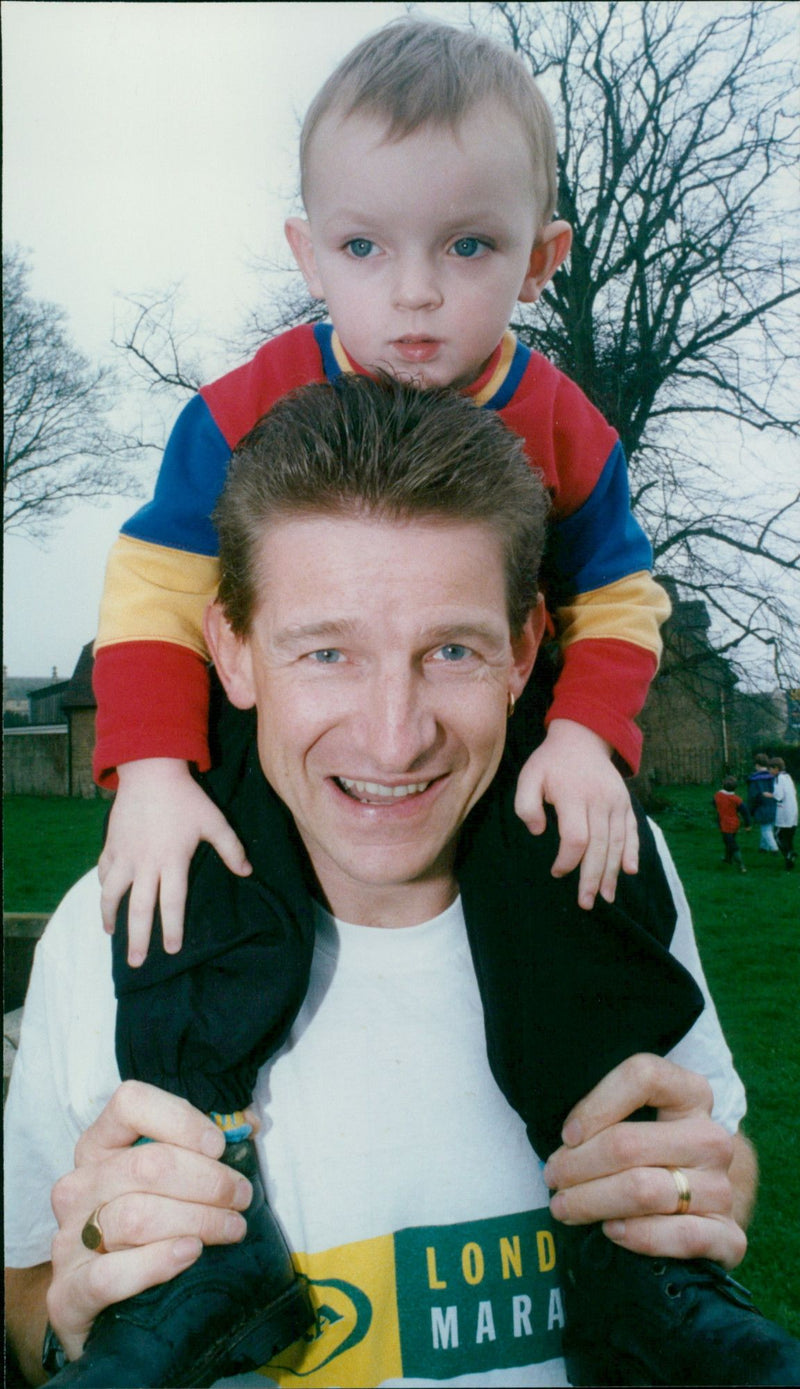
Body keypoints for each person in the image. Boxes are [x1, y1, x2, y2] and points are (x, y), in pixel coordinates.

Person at [6, 378, 800, 1389]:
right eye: (327, 651)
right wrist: (68, 1324)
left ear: (521, 656)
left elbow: (715, 1147)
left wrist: (704, 1199)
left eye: (452, 651)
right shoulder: (118, 921)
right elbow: (24, 1283)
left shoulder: (600, 864)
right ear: (234, 653)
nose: (394, 734)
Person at [92, 16, 674, 966]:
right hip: (280, 724)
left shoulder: (570, 429)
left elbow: (616, 596)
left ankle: (598, 1089)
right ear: (308, 253)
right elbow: (155, 594)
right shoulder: (234, 412)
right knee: (201, 897)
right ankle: (198, 1090)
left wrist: (585, 738)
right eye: (364, 248)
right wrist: (153, 771)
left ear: (540, 260)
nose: (414, 291)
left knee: (577, 892)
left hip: (491, 714)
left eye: (469, 246)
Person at [713, 776, 751, 873]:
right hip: (735, 824)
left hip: (725, 824)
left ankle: (741, 865)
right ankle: (727, 859)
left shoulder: (718, 795)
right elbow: (745, 812)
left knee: (731, 843)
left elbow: (714, 803)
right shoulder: (737, 799)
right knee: (729, 840)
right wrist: (747, 825)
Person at [768, 758, 798, 870]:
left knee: (778, 836)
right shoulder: (788, 777)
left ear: (776, 768)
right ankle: (790, 857)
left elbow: (778, 796)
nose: (769, 771)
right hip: (793, 810)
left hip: (784, 812)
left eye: (770, 769)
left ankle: (788, 855)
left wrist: (768, 795)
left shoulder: (778, 779)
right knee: (789, 836)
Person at [746, 754, 779, 853]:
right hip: (774, 805)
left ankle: (774, 848)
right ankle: (763, 847)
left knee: (765, 829)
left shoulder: (754, 779)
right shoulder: (773, 777)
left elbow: (752, 796)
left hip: (761, 806)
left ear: (756, 765)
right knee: (769, 826)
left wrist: (750, 810)